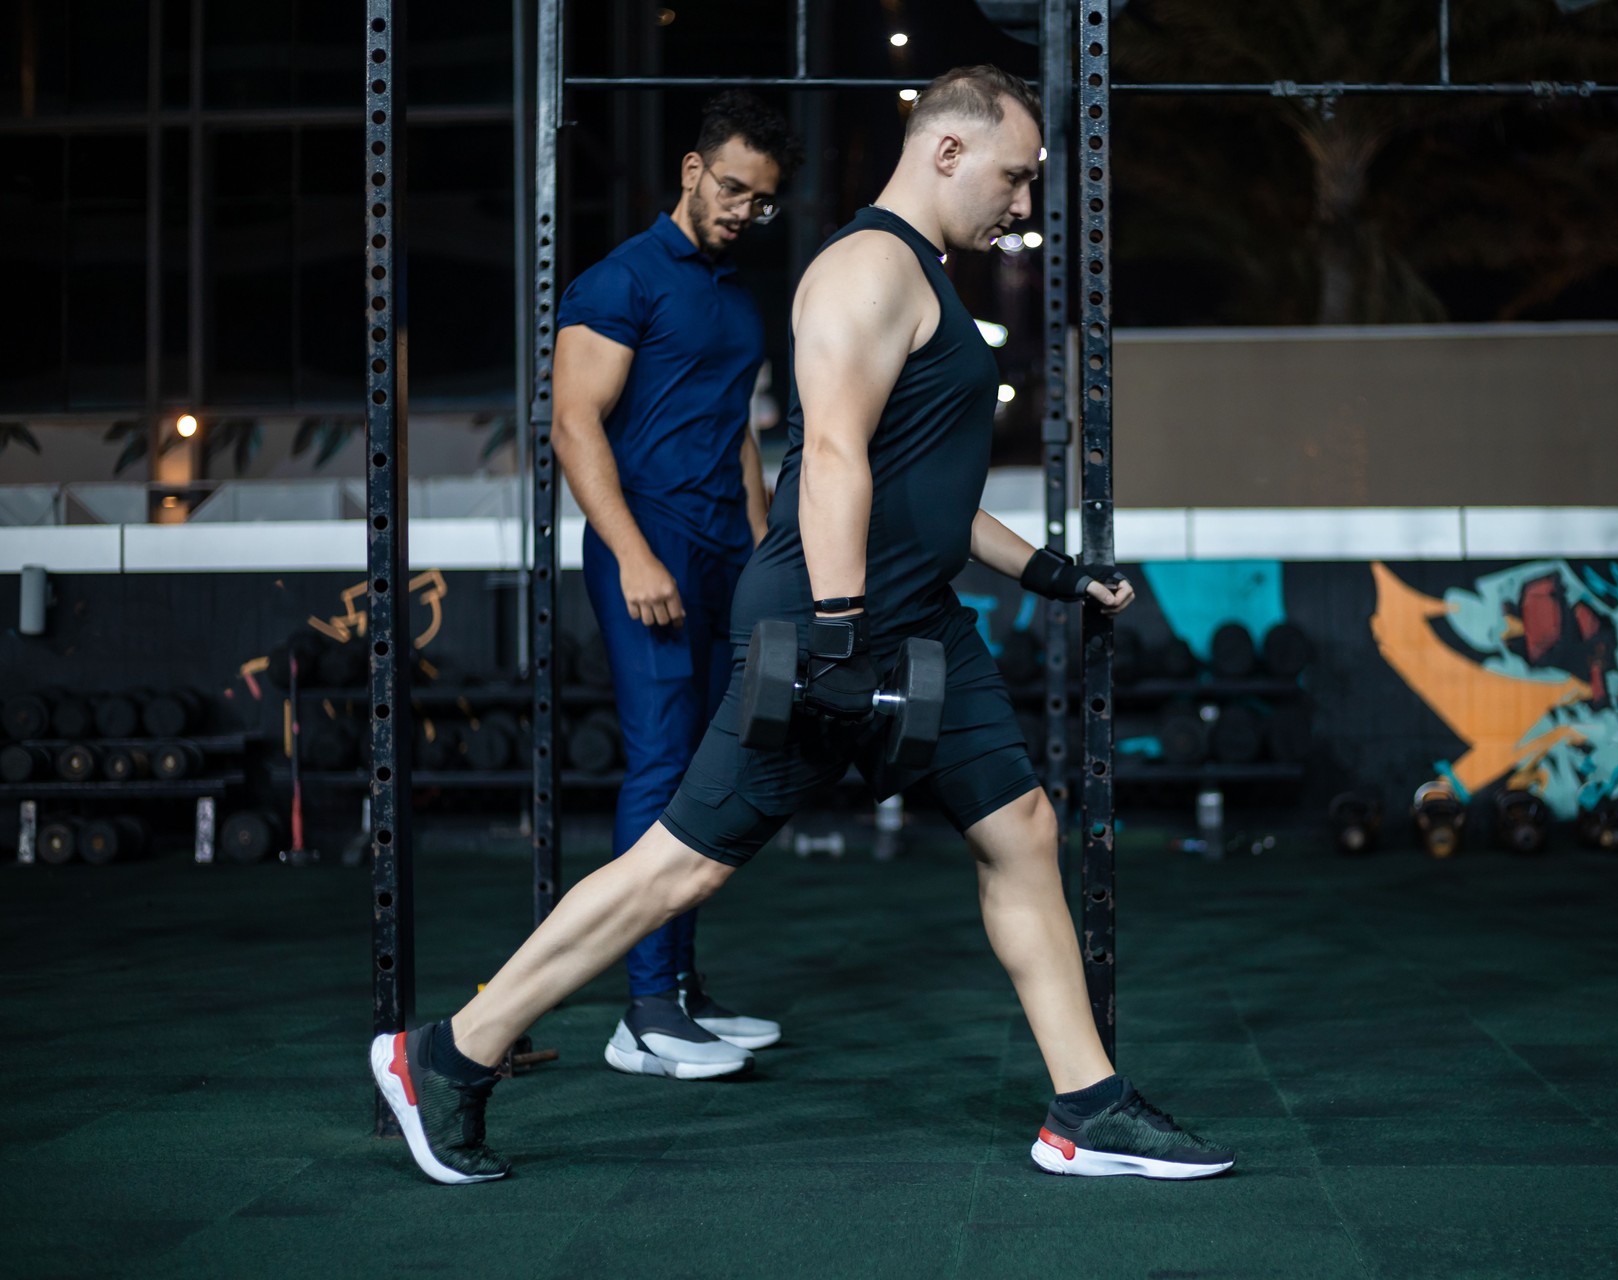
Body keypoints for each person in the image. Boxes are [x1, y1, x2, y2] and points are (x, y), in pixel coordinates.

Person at [370, 65, 1235, 1185]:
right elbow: (826, 456)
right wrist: (834, 637)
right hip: (834, 624)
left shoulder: (920, 277)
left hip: (919, 621)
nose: (1023, 205)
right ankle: (445, 1055)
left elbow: (921, 489)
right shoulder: (866, 269)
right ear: (948, 152)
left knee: (1019, 824)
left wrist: (1056, 572)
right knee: (677, 867)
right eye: (1015, 177)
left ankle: (1088, 1103)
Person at [551, 92, 796, 1080]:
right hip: (645, 548)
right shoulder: (620, 281)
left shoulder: (735, 295)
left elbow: (739, 429)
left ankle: (683, 990)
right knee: (659, 765)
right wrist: (636, 554)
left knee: (708, 772)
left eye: (761, 199)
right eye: (731, 186)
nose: (742, 209)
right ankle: (644, 1008)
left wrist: (765, 549)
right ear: (693, 171)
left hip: (723, 554)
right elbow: (574, 424)